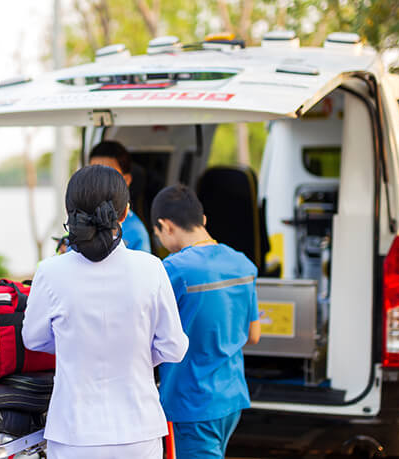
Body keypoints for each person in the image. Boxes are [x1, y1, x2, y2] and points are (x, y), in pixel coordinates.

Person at [22, 165, 189, 459]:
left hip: (73, 433)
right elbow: (174, 348)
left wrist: (74, 344)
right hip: (139, 431)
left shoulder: (49, 272)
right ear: (125, 213)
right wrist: (137, 353)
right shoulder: (151, 268)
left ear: (70, 212)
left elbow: (34, 339)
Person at [150, 184, 261, 459]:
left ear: (166, 226)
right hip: (231, 397)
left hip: (193, 403)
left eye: (158, 234)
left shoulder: (171, 270)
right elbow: (253, 334)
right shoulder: (242, 264)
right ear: (203, 220)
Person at [89, 140, 152, 252]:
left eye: (108, 175)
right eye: (93, 174)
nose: (99, 181)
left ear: (126, 180)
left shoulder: (136, 232)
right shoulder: (80, 219)